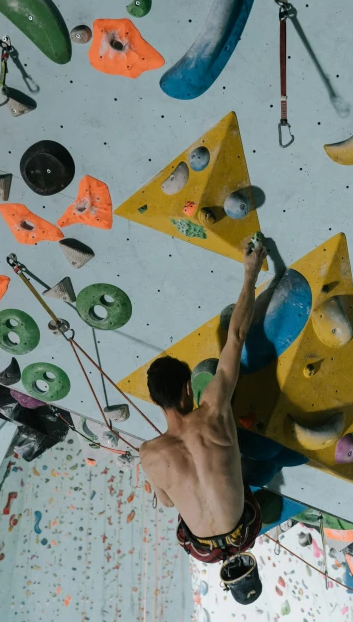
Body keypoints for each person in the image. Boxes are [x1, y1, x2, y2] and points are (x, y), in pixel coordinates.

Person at [139, 238, 267, 563]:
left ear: (157, 401)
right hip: (242, 527)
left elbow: (167, 503)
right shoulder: (212, 408)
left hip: (207, 551)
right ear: (188, 388)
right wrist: (250, 275)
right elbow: (236, 339)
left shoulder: (149, 454)